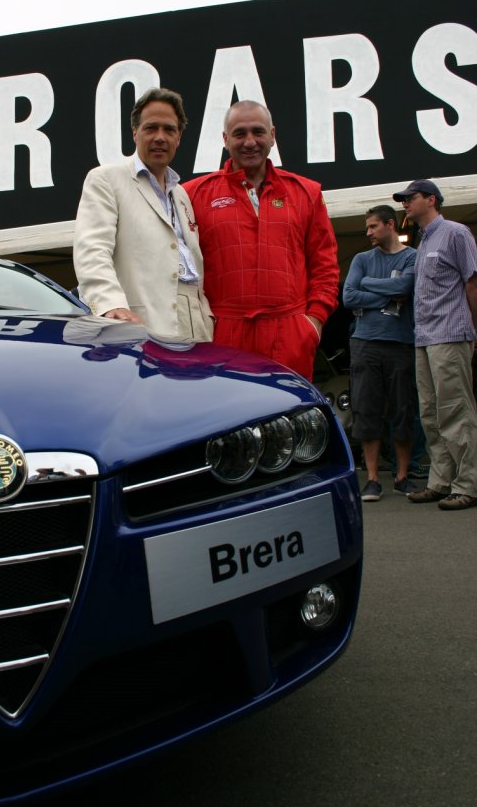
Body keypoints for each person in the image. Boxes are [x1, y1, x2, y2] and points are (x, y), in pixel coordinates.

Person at [183, 100, 338, 380]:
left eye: (258, 132)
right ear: (225, 139)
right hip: (222, 334)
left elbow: (325, 266)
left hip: (290, 333)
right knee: (228, 419)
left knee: (290, 418)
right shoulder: (193, 194)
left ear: (272, 135)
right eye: (240, 134)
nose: (250, 142)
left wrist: (312, 323)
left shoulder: (306, 192)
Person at [73, 88, 213, 341]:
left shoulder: (181, 195)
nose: (160, 137)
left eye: (169, 130)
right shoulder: (106, 179)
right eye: (151, 128)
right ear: (135, 133)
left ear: (179, 137)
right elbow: (92, 251)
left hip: (196, 329)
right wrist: (110, 305)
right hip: (140, 326)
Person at [393, 179, 477, 511]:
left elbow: (472, 282)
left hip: (451, 333)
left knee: (455, 410)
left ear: (431, 199)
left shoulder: (456, 233)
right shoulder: (423, 240)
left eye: (409, 198)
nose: (405, 204)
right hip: (425, 337)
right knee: (430, 412)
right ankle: (442, 481)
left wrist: (474, 330)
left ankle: (468, 483)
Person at [342, 205, 419, 502]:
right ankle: (372, 479)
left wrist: (370, 285)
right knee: (366, 407)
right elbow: (349, 296)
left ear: (390, 224)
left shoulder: (411, 256)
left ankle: (402, 476)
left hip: (400, 342)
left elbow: (406, 286)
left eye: (374, 227)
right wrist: (389, 293)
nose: (368, 233)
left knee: (403, 408)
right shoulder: (362, 259)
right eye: (367, 228)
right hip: (364, 342)